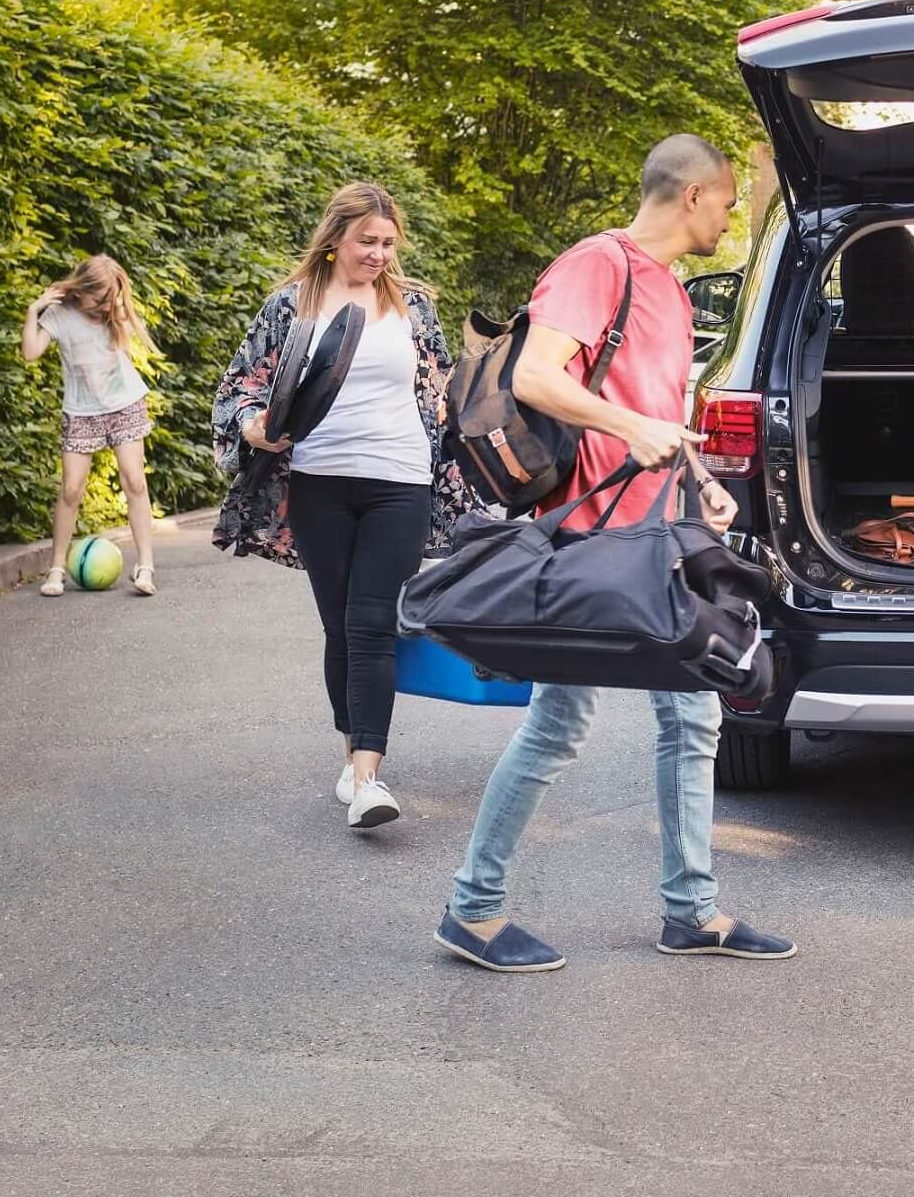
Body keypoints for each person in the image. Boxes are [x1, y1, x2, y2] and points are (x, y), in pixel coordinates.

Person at [437, 134, 796, 974]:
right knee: (559, 726)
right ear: (695, 195)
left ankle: (691, 911)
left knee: (694, 716)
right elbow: (535, 376)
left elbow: (655, 408)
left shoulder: (669, 290)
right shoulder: (599, 264)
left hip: (658, 535)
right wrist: (632, 431)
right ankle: (472, 910)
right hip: (591, 542)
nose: (730, 215)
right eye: (728, 199)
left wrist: (699, 479)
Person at [210, 183, 479, 834]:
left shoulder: (412, 308)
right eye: (368, 241)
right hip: (319, 482)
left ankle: (367, 776)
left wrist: (450, 410)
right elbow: (239, 386)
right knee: (339, 625)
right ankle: (350, 747)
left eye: (388, 243)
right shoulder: (289, 306)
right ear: (334, 240)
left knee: (369, 624)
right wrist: (252, 427)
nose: (380, 254)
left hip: (399, 479)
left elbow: (443, 381)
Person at [21, 255, 159, 598]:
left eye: (110, 297)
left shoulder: (114, 313)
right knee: (71, 490)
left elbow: (119, 316)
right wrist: (32, 312)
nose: (105, 305)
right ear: (81, 291)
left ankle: (145, 566)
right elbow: (30, 352)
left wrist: (115, 306)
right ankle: (56, 569)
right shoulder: (58, 316)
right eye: (99, 299)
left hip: (124, 404)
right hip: (81, 412)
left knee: (135, 481)